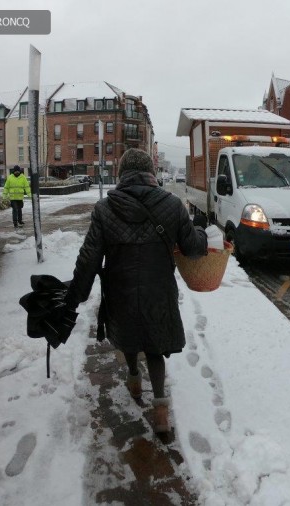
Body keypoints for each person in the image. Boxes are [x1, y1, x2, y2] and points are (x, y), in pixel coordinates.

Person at [63, 148, 208, 435]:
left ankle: (132, 379)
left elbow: (88, 258)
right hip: (159, 289)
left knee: (129, 337)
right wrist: (202, 233)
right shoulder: (172, 204)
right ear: (151, 173)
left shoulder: (105, 209)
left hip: (120, 290)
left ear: (121, 173)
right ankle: (161, 411)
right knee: (154, 346)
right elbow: (193, 249)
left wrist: (75, 296)